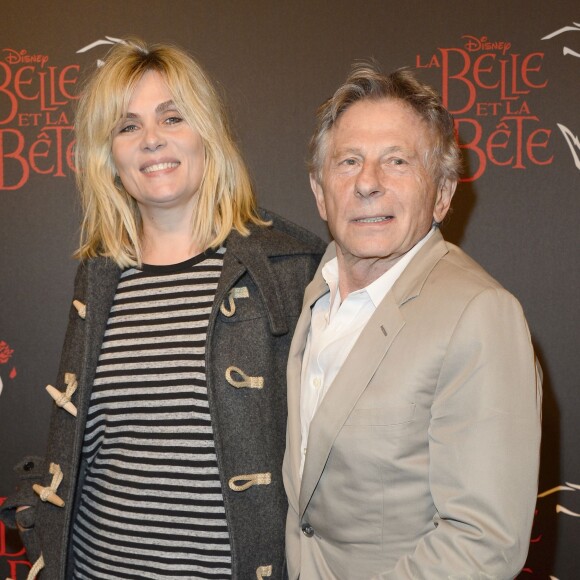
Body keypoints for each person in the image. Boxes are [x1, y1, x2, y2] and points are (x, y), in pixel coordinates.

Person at [0, 38, 324, 579]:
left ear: (208, 135)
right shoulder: (99, 277)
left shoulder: (287, 267)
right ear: (110, 156)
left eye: (172, 118)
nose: (151, 140)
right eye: (127, 127)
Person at [282, 63, 542, 579]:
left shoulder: (479, 313)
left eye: (397, 161)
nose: (368, 183)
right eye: (348, 161)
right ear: (319, 191)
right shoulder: (315, 290)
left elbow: (483, 543)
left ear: (442, 194)